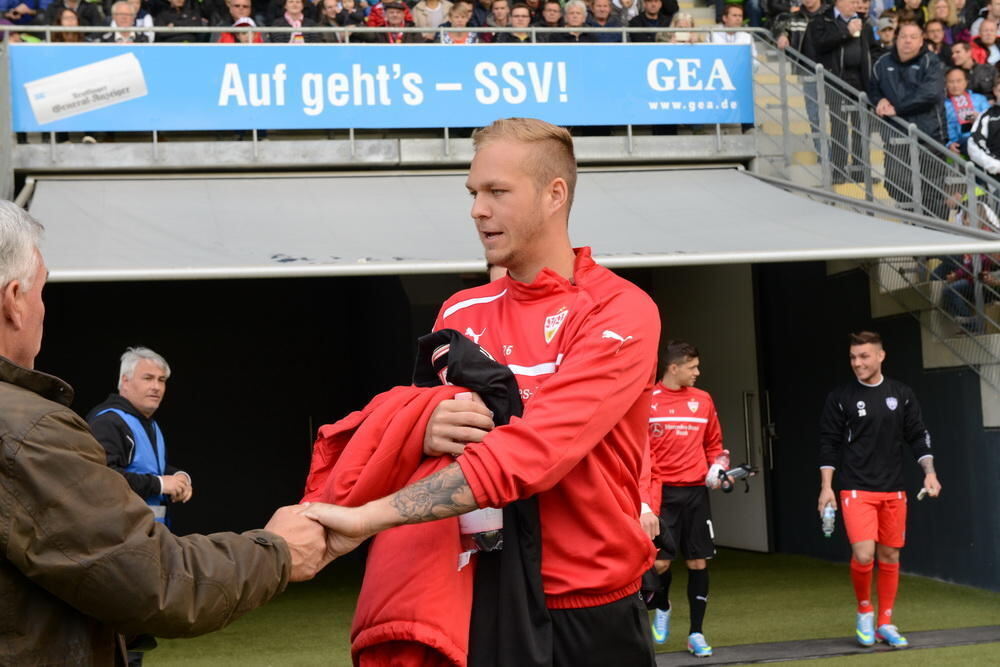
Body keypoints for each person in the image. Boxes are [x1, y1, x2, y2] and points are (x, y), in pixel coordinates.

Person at [303, 117, 661, 665]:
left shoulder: (621, 310)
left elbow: (532, 455)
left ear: (553, 195)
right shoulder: (458, 312)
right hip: (478, 592)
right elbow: (423, 436)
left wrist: (369, 518)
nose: (477, 209)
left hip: (590, 605)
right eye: (473, 193)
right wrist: (424, 425)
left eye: (497, 192)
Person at [0, 200, 339, 664]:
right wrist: (274, 550)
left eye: (162, 380)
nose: (156, 388)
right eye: (41, 293)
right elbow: (152, 579)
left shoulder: (141, 428)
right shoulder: (46, 427)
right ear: (14, 300)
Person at [818, 331, 941, 650]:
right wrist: (826, 488)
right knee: (864, 554)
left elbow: (917, 436)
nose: (857, 363)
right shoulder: (840, 397)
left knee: (889, 554)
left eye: (864, 356)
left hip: (894, 490)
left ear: (880, 356)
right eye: (853, 357)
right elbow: (828, 443)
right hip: (855, 488)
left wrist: (929, 473)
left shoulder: (901, 393)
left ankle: (885, 621)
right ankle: (864, 611)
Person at [644, 341, 726, 658]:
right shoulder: (647, 399)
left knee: (697, 561)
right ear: (673, 367)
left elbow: (716, 445)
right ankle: (663, 605)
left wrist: (717, 467)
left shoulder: (703, 400)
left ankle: (696, 633)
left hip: (695, 492)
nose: (698, 372)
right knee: (660, 562)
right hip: (662, 493)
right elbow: (637, 451)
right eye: (692, 367)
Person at [87, 347, 192, 527]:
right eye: (148, 378)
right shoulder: (108, 422)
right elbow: (101, 477)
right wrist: (160, 484)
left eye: (162, 380)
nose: (156, 387)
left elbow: (149, 468)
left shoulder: (149, 424)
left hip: (147, 536)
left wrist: (179, 477)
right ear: (125, 382)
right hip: (118, 539)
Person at [869, 21, 947, 218]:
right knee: (895, 182)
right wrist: (880, 101)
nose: (908, 41)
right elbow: (872, 88)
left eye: (913, 37)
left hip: (929, 136)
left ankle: (936, 238)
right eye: (904, 36)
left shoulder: (931, 61)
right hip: (895, 135)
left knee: (932, 191)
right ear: (896, 39)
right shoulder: (882, 62)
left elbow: (930, 94)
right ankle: (915, 218)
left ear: (921, 41)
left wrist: (897, 109)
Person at [805, 0, 876, 183]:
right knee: (839, 127)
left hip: (859, 81)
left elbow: (873, 49)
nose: (856, 5)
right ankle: (839, 170)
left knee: (862, 128)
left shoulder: (864, 23)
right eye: (852, 1)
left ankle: (861, 171)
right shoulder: (822, 21)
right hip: (836, 80)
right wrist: (845, 32)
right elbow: (820, 43)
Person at [945, 66, 990, 156]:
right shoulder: (943, 105)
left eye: (959, 81)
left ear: (966, 82)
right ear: (945, 84)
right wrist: (948, 144)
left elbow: (992, 120)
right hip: (960, 143)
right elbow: (939, 129)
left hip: (984, 137)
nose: (955, 85)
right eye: (951, 82)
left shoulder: (979, 99)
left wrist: (980, 118)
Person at [969, 78, 1000, 172]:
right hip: (995, 179)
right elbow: (973, 145)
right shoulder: (986, 116)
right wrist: (996, 165)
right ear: (995, 91)